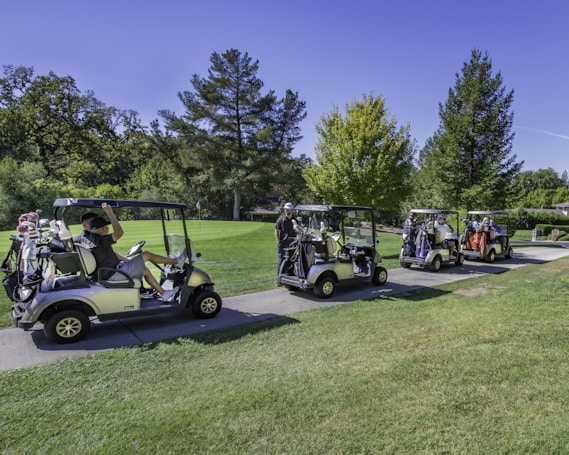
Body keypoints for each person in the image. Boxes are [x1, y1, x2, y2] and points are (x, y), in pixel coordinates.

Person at [87, 203, 186, 302]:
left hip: (110, 271)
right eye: (107, 228)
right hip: (113, 274)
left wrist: (126, 259)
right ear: (104, 228)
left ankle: (163, 293)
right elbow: (119, 233)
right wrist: (110, 212)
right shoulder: (100, 241)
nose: (108, 230)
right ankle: (176, 262)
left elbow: (111, 255)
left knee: (144, 270)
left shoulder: (92, 240)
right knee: (146, 255)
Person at [274, 202, 297, 283]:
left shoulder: (295, 220)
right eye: (285, 209)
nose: (286, 211)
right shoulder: (281, 219)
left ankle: (289, 278)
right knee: (281, 261)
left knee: (292, 261)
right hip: (283, 244)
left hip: (293, 244)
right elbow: (276, 231)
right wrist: (278, 242)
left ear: (292, 210)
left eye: (288, 209)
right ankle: (279, 280)